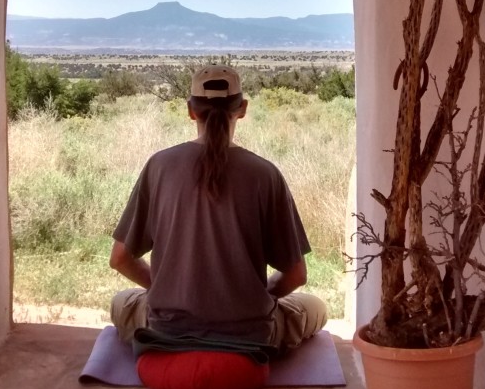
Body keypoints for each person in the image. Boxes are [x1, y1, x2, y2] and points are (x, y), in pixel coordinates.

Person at [109, 64, 326, 353]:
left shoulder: (159, 167)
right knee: (316, 307)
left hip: (168, 332)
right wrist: (262, 295)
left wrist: (162, 288)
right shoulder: (265, 174)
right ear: (243, 108)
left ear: (191, 110)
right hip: (249, 337)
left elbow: (120, 259)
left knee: (121, 301)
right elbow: (296, 275)